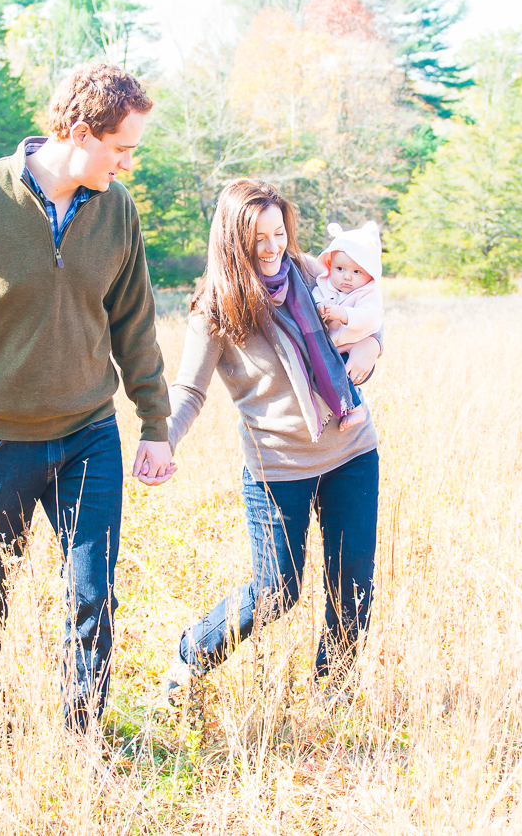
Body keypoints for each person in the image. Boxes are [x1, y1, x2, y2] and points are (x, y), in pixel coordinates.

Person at [0, 63, 175, 733]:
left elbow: (135, 324)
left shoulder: (117, 212)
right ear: (80, 133)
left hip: (89, 437)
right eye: (121, 149)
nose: (128, 165)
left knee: (91, 595)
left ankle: (83, 739)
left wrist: (155, 423)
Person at [161, 178, 382, 703]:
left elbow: (367, 313)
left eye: (278, 232)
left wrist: (372, 348)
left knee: (352, 586)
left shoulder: (310, 274)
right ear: (232, 239)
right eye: (258, 237)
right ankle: (189, 660)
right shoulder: (216, 309)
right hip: (277, 465)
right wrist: (160, 440)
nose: (272, 247)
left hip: (352, 451)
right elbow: (189, 389)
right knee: (276, 589)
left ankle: (335, 694)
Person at [312, 220, 384, 379]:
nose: (347, 276)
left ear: (370, 272)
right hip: (329, 348)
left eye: (357, 271)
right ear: (330, 265)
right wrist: (321, 305)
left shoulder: (368, 292)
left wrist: (344, 314)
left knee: (344, 380)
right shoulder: (325, 283)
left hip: (355, 348)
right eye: (340, 269)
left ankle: (350, 403)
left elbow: (370, 316)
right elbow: (315, 296)